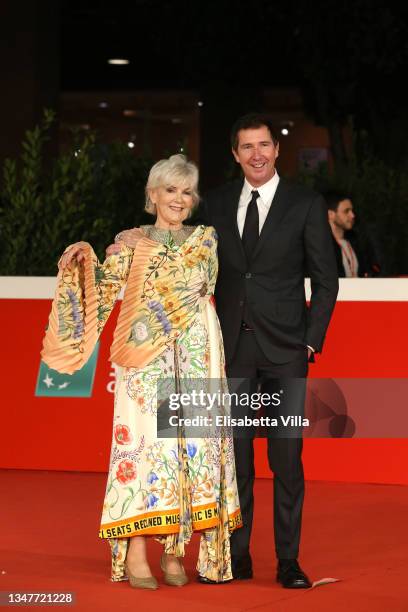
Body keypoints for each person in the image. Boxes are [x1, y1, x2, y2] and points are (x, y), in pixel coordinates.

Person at [111, 113, 339, 589]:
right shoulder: (212, 204)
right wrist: (127, 237)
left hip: (284, 353)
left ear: (276, 150)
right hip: (229, 352)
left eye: (264, 145)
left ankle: (288, 560)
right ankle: (235, 556)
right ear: (235, 155)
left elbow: (325, 278)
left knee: (285, 460)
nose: (256, 154)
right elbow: (170, 239)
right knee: (231, 461)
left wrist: (310, 340)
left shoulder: (306, 203)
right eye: (246, 147)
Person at [41, 154, 242, 590]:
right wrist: (85, 261)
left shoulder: (204, 239)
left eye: (186, 192)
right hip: (144, 357)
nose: (179, 199)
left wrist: (140, 247)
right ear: (153, 195)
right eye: (170, 190)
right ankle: (136, 552)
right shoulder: (130, 243)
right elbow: (105, 288)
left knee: (193, 451)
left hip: (197, 351)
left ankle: (175, 552)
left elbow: (199, 283)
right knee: (147, 450)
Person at [325, 191, 381, 277]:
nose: (352, 215)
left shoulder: (357, 242)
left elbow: (374, 268)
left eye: (352, 210)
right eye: (346, 211)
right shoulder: (321, 246)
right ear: (330, 214)